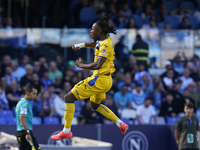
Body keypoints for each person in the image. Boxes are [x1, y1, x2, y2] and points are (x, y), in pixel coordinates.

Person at [51, 12, 128, 141]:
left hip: (99, 79)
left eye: (93, 30)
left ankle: (66, 131)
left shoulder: (105, 45)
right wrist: (80, 45)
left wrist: (82, 66)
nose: (91, 31)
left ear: (99, 31)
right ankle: (120, 123)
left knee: (68, 97)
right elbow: (95, 43)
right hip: (107, 80)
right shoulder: (105, 39)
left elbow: (98, 65)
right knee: (94, 106)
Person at [15, 85, 40, 150]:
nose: (35, 96)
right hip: (25, 133)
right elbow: (22, 118)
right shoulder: (25, 104)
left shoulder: (20, 102)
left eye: (36, 94)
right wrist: (27, 133)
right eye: (33, 93)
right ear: (27, 93)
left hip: (20, 134)